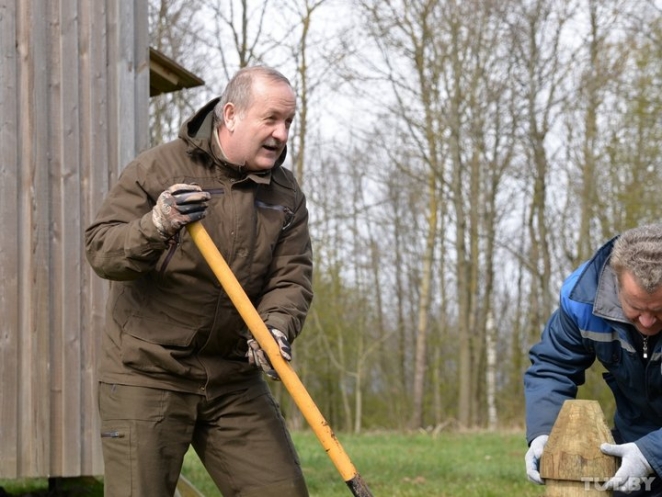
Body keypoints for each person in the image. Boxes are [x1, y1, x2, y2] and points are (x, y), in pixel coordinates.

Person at [85, 66, 313, 497]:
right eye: (271, 119)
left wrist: (276, 325)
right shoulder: (156, 169)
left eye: (289, 122)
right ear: (231, 114)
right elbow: (102, 250)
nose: (282, 133)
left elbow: (292, 275)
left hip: (232, 377)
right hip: (148, 371)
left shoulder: (284, 194)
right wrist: (157, 223)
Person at [524, 223, 662, 496]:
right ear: (615, 281)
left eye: (659, 310)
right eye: (635, 307)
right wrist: (545, 434)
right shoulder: (582, 301)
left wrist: (651, 452)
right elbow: (553, 366)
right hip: (631, 441)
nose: (646, 322)